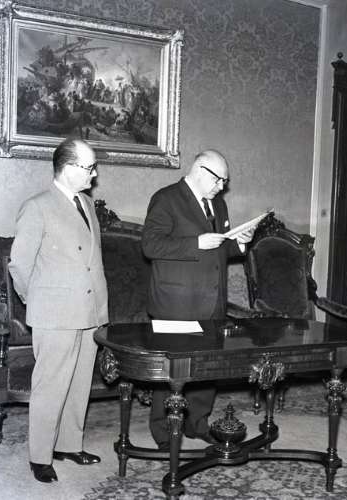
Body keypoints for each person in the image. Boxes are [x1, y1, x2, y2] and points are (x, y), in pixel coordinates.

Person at [9, 138, 108, 482]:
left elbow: (92, 260)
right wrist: (40, 300)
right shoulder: (37, 207)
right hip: (55, 313)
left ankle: (68, 444)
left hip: (89, 310)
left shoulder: (87, 204)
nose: (94, 175)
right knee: (50, 386)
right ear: (67, 168)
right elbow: (20, 266)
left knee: (79, 383)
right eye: (89, 168)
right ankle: (40, 456)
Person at [142, 149, 254, 449]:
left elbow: (220, 249)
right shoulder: (166, 198)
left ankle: (198, 423)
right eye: (219, 180)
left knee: (207, 368)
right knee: (172, 372)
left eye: (225, 181)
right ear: (201, 170)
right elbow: (150, 245)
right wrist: (196, 243)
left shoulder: (219, 204)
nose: (222, 186)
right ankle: (163, 432)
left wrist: (240, 244)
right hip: (176, 304)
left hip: (212, 301)